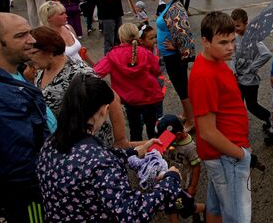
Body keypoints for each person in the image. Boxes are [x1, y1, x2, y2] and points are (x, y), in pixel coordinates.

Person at [37, 74, 183, 222]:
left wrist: (134, 151)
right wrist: (170, 181)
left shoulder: (50, 143)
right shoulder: (100, 161)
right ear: (104, 110)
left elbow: (86, 162)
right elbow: (132, 213)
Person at [188, 11, 252, 223]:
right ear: (205, 41)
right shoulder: (204, 75)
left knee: (215, 208)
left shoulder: (216, 62)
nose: (230, 47)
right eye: (223, 42)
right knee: (238, 217)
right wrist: (241, 155)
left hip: (225, 154)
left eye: (233, 41)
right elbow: (207, 132)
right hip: (227, 156)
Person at [0, 14, 52, 223]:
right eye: (21, 35)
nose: (32, 40)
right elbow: (20, 164)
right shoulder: (5, 99)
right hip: (30, 196)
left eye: (29, 32)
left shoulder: (15, 75)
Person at [94, 23, 164, 141]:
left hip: (130, 100)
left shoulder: (112, 56)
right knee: (153, 128)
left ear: (121, 38)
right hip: (150, 96)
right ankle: (156, 153)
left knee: (135, 130)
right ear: (137, 37)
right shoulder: (146, 53)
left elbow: (96, 73)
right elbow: (157, 71)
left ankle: (137, 155)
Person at [157, 0, 196, 132]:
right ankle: (187, 113)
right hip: (170, 55)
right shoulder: (170, 6)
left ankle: (191, 120)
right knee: (181, 86)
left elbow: (184, 32)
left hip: (174, 56)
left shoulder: (175, 8)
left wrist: (176, 46)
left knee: (181, 88)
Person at [157, 115, 206, 223]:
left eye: (168, 140)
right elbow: (160, 148)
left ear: (178, 135)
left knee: (184, 209)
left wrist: (193, 186)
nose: (165, 142)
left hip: (182, 186)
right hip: (169, 182)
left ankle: (205, 209)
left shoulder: (190, 148)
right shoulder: (171, 138)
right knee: (172, 208)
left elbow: (196, 166)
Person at [231, 9, 272, 131]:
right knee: (237, 104)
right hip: (238, 78)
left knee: (252, 106)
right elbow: (233, 56)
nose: (236, 29)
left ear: (246, 23)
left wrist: (252, 68)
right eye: (234, 26)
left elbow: (266, 54)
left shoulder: (253, 38)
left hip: (250, 81)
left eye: (238, 26)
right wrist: (232, 69)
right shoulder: (236, 38)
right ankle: (238, 126)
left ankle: (269, 118)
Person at [38, 0, 93, 65]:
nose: (66, 16)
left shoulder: (68, 28)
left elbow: (80, 50)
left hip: (82, 69)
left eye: (65, 13)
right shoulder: (47, 38)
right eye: (61, 14)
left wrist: (93, 65)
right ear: (49, 18)